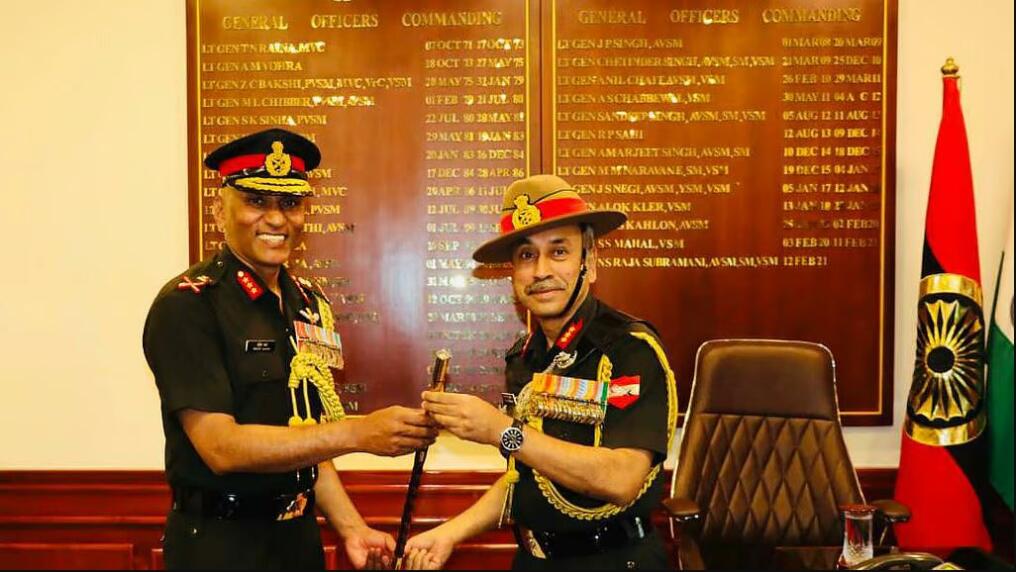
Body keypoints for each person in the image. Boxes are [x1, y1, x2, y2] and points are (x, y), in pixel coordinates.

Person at [143, 128, 437, 570]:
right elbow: (220, 447)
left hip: (298, 540)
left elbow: (305, 435)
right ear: (220, 210)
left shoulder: (308, 303)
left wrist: (351, 527)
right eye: (256, 201)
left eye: (290, 204)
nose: (277, 220)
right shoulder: (189, 305)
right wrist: (357, 433)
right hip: (219, 545)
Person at [406, 175, 678, 570]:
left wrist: (502, 430)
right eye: (526, 256)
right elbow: (529, 479)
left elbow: (621, 479)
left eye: (559, 251)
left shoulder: (629, 349)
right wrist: (449, 532)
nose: (540, 271)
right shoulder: (525, 356)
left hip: (614, 562)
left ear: (590, 262)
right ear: (513, 273)